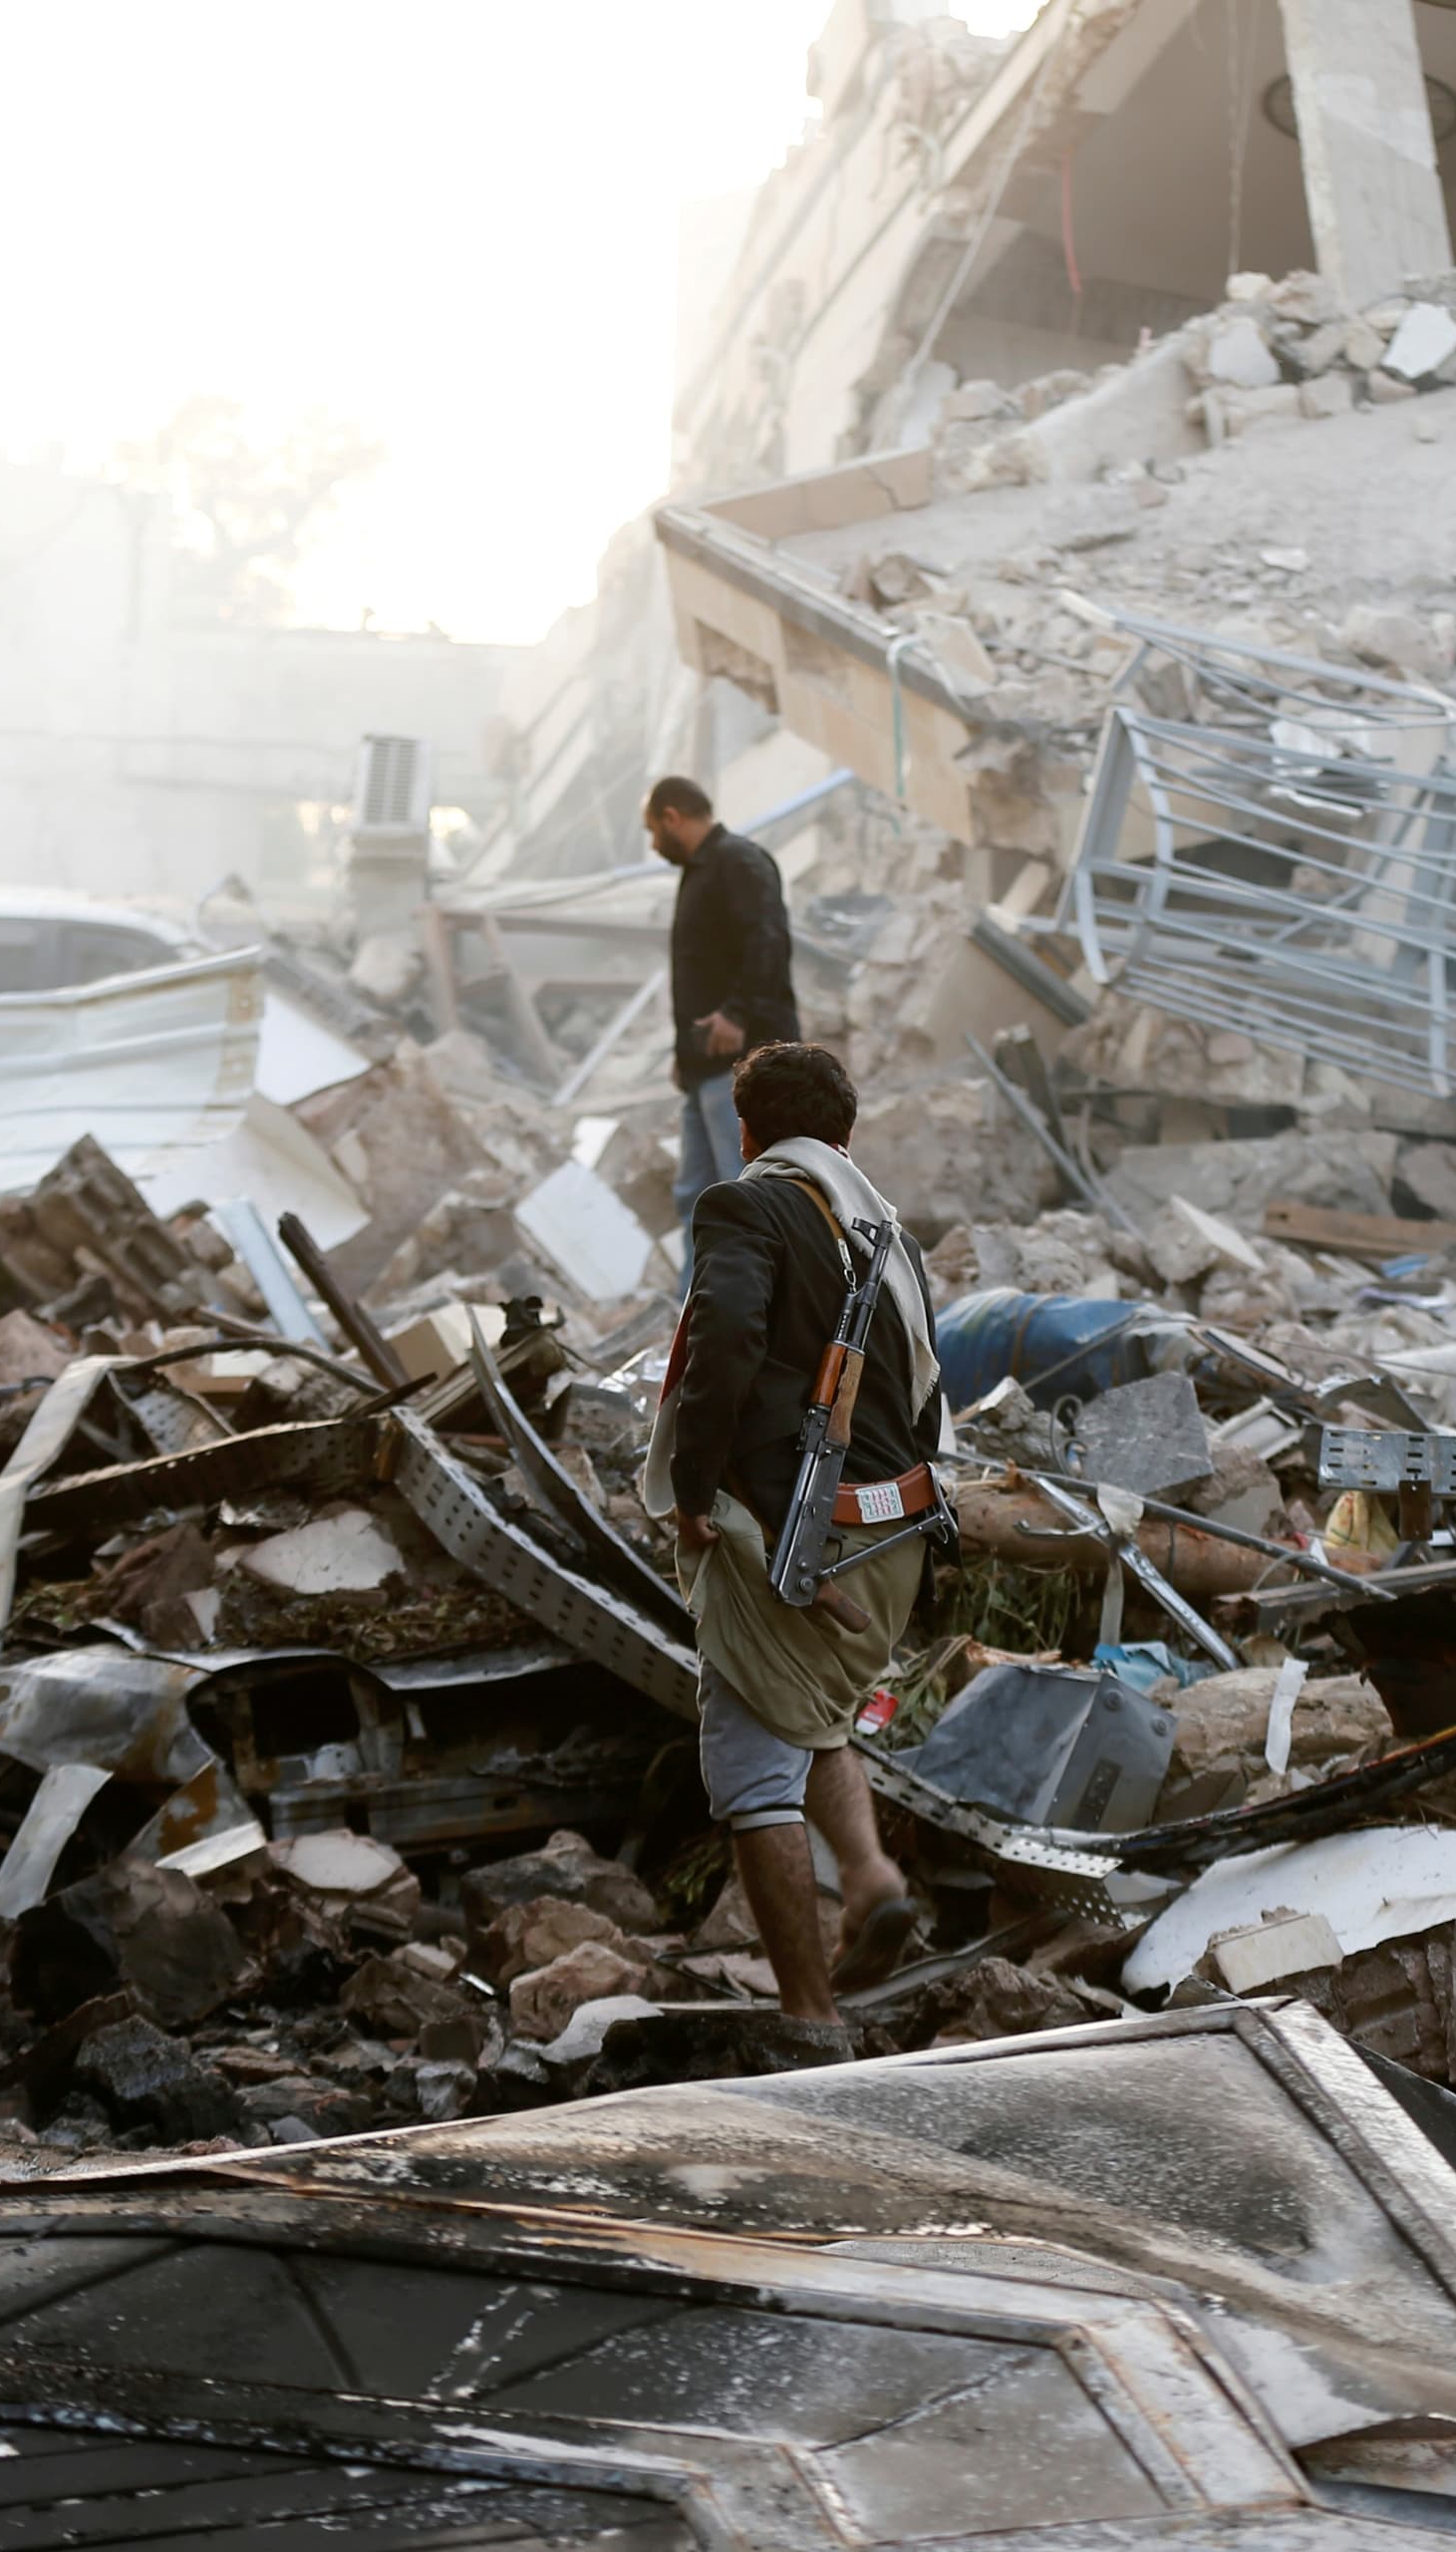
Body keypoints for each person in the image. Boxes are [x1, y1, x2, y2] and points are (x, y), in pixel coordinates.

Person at [642, 1040, 942, 2034]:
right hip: (894, 1542)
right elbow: (932, 1401)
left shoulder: (744, 1204)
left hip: (805, 1541)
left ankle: (810, 2018)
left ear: (745, 1131)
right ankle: (867, 1875)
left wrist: (694, 1489)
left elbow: (723, 1339)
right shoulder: (889, 1239)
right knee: (812, 1713)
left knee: (747, 1765)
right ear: (845, 1138)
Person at [643, 776, 798, 1274]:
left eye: (653, 830)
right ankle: (697, 1312)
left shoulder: (737, 862)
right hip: (705, 1067)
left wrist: (737, 1013)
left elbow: (768, 941)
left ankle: (757, 1305)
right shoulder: (702, 871)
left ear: (672, 816)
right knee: (698, 1195)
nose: (652, 844)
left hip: (741, 1066)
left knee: (744, 1190)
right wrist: (683, 1057)